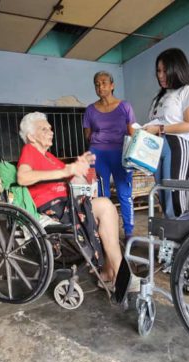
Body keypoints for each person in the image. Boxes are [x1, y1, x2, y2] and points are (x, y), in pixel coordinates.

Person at [17, 112, 123, 284]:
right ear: (31, 136)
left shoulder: (49, 157)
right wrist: (66, 171)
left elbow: (71, 177)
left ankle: (110, 271)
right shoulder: (29, 150)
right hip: (53, 207)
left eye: (50, 128)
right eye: (44, 129)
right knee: (105, 206)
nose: (50, 132)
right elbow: (22, 177)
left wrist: (80, 165)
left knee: (106, 211)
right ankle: (116, 273)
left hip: (67, 203)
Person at [145, 48, 189, 218]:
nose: (160, 75)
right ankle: (171, 242)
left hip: (177, 146)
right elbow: (157, 123)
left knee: (175, 200)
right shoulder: (159, 96)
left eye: (165, 71)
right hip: (157, 148)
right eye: (158, 71)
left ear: (177, 70)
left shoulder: (187, 90)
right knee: (163, 196)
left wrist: (159, 129)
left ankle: (187, 241)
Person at [83, 71, 136, 239]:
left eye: (104, 82)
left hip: (121, 154)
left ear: (112, 85)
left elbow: (133, 133)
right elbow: (87, 135)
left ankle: (129, 233)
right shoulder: (90, 110)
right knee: (100, 195)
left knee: (124, 193)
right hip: (98, 155)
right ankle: (104, 233)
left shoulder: (125, 106)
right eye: (97, 84)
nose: (100, 86)